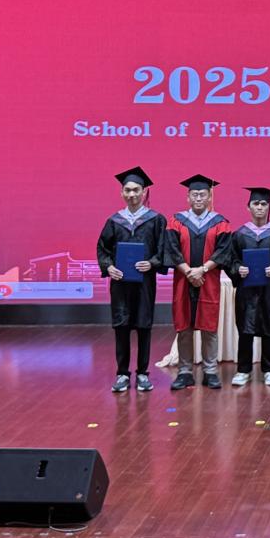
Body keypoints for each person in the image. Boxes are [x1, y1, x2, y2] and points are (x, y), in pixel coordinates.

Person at [97, 166, 166, 393]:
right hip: (120, 283)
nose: (132, 194)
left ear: (144, 192)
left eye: (136, 190)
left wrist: (152, 263)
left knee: (144, 326)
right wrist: (109, 267)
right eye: (127, 190)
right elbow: (103, 249)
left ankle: (143, 373)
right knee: (122, 326)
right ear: (121, 193)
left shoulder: (156, 220)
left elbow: (163, 250)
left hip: (144, 283)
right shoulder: (114, 221)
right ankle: (122, 373)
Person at [216, 187, 270, 387]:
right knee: (245, 329)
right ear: (248, 207)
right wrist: (238, 269)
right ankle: (243, 370)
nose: (259, 207)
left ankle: (269, 370)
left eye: (263, 204)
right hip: (246, 290)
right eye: (256, 203)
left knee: (269, 329)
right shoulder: (239, 234)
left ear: (269, 207)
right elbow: (230, 260)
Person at [164, 173, 229, 391]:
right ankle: (185, 372)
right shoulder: (176, 221)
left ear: (210, 197)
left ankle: (210, 371)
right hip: (183, 280)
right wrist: (188, 271)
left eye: (202, 194)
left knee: (209, 327)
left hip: (208, 280)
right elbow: (172, 249)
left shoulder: (220, 223)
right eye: (195, 194)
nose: (199, 198)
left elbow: (223, 251)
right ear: (188, 197)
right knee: (184, 327)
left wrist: (202, 269)